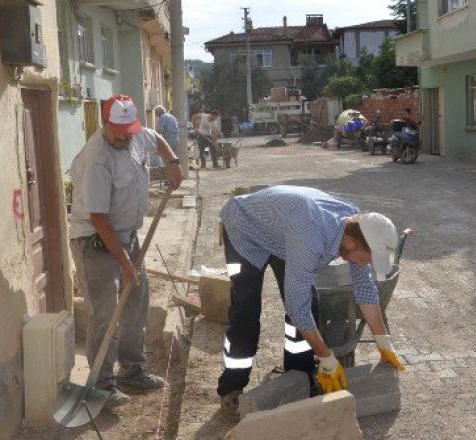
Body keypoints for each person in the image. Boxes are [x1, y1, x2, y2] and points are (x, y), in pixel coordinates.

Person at [216, 185, 407, 420]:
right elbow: (297, 307)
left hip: (285, 230)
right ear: (350, 242)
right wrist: (326, 357)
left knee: (310, 304)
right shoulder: (310, 239)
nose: (363, 264)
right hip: (244, 228)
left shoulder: (355, 225)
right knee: (247, 310)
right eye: (363, 259)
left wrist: (384, 342)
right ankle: (232, 386)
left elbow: (365, 288)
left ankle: (300, 375)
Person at [69, 94, 183, 408]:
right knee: (105, 313)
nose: (123, 137)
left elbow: (157, 139)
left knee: (136, 302)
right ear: (106, 124)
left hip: (127, 237)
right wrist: (124, 261)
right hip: (95, 242)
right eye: (118, 132)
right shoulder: (97, 158)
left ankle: (132, 371)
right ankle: (101, 385)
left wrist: (173, 162)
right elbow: (98, 218)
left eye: (128, 131)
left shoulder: (136, 135)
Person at [152, 105, 179, 169]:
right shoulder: (172, 117)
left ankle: (168, 171)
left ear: (159, 112)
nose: (156, 115)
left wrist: (153, 135)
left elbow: (159, 130)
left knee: (165, 157)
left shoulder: (162, 117)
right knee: (172, 157)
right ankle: (175, 170)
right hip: (175, 139)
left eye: (156, 113)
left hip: (168, 139)